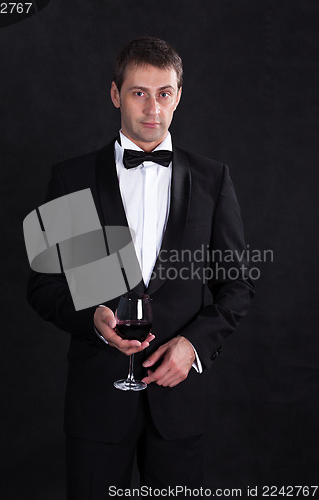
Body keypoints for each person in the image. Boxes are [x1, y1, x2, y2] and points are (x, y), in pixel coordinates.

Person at [27, 37, 255, 499]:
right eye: (138, 92)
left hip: (179, 405)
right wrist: (90, 319)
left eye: (164, 93)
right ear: (116, 94)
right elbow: (44, 285)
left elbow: (237, 286)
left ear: (178, 96)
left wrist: (192, 346)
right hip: (96, 401)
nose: (153, 107)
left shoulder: (213, 179)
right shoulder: (72, 179)